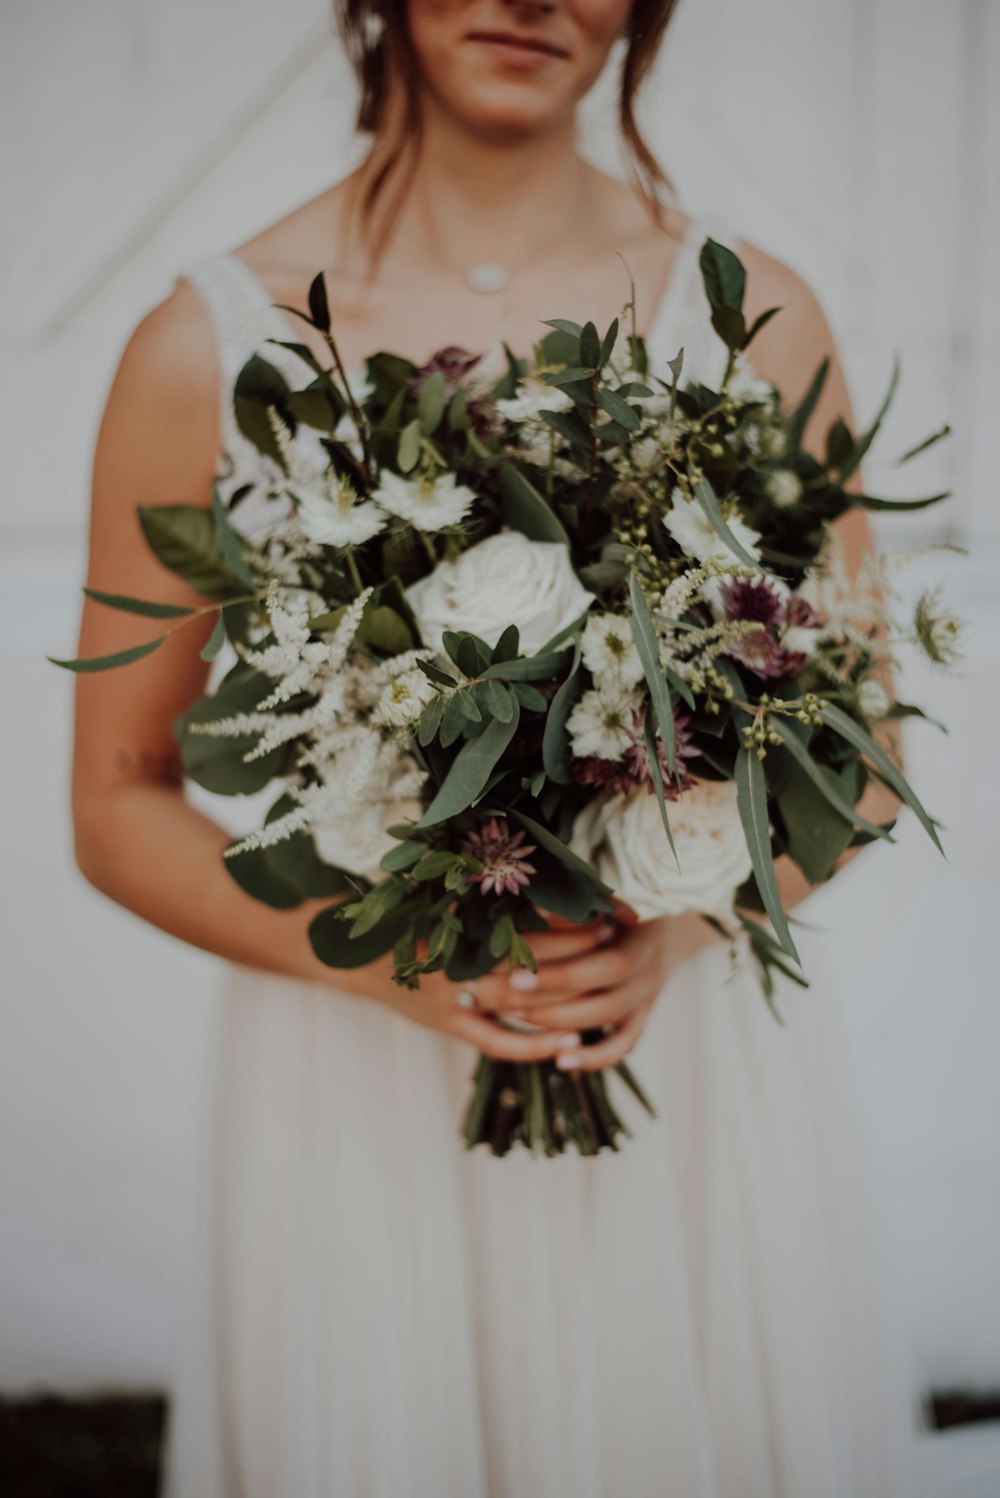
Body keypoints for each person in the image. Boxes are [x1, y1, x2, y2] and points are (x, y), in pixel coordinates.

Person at [71, 1, 921, 1493]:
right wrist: (383, 955)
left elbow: (867, 746)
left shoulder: (752, 317)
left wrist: (678, 928)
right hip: (351, 1066)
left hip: (670, 1047)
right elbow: (117, 796)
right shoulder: (207, 342)